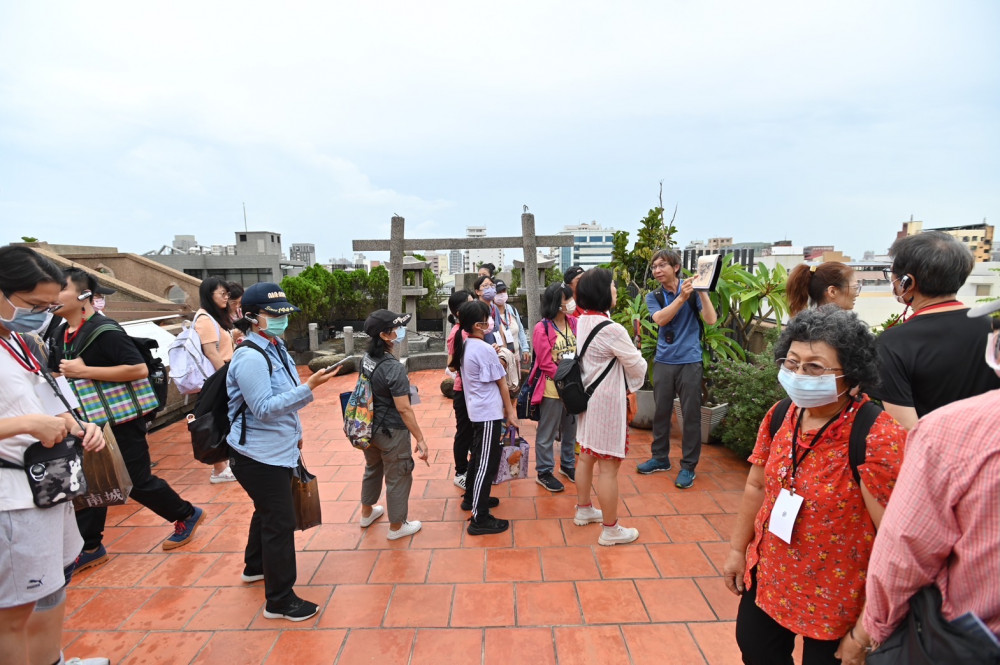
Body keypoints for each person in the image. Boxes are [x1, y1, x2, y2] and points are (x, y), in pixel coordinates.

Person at [722, 306, 907, 665]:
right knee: (755, 648)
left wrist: (865, 629)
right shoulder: (782, 415)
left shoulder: (876, 436)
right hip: (772, 573)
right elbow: (756, 485)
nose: (798, 375)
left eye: (814, 367)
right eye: (791, 363)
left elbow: (895, 542)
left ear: (852, 375)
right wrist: (736, 550)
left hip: (839, 595)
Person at [860, 302, 1000, 659]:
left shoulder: (948, 431)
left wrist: (874, 629)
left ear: (906, 281)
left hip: (966, 639)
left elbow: (907, 549)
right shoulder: (979, 327)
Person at [0, 247, 110, 665]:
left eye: (49, 306)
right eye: (32, 305)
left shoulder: (19, 342)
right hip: (13, 499)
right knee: (13, 612)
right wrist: (25, 425)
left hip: (49, 486)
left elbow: (49, 398)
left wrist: (83, 426)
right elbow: (29, 415)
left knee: (52, 588)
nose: (43, 314)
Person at [54, 268, 205, 572]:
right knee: (90, 481)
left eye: (59, 289)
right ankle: (91, 546)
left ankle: (186, 513)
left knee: (135, 481)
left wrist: (85, 372)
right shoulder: (61, 332)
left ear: (83, 295)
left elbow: (138, 370)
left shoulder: (104, 330)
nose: (51, 296)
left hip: (120, 420)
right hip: (88, 421)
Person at [226, 282, 340, 621]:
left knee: (267, 511)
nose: (282, 320)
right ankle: (279, 600)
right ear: (251, 317)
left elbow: (283, 401)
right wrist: (310, 388)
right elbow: (263, 407)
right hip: (257, 455)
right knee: (279, 521)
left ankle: (255, 566)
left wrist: (296, 433)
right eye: (274, 315)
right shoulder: (249, 356)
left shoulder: (275, 346)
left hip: (276, 446)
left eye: (284, 314)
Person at [873, 231, 1000, 429]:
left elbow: (907, 430)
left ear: (908, 282)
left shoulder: (892, 343)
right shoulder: (994, 330)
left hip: (936, 455)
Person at [573, 268, 647, 546]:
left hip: (587, 397)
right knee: (608, 467)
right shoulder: (612, 329)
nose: (615, 290)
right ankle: (610, 529)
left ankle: (583, 509)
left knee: (586, 456)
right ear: (603, 292)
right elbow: (637, 365)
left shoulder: (582, 321)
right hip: (606, 401)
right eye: (613, 286)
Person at [638, 249, 718, 489]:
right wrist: (681, 298)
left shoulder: (692, 289)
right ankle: (660, 458)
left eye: (662, 265)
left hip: (690, 361)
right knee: (661, 412)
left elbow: (711, 319)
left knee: (690, 415)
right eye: (654, 267)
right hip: (664, 360)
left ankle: (688, 467)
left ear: (676, 267)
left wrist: (701, 291)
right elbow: (661, 319)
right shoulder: (654, 296)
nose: (657, 271)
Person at [357, 310, 429, 540]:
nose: (400, 332)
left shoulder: (366, 359)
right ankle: (397, 526)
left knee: (373, 469)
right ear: (386, 336)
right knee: (399, 475)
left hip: (368, 428)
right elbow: (404, 408)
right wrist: (420, 438)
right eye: (396, 328)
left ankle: (366, 513)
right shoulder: (394, 368)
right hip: (391, 432)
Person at [450, 300, 519, 536]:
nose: (491, 321)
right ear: (479, 324)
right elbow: (501, 381)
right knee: (485, 464)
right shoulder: (483, 349)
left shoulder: (467, 344)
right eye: (487, 318)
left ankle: (473, 498)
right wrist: (510, 412)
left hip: (478, 410)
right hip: (488, 413)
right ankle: (479, 517)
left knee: (480, 458)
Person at [529, 283, 578, 492]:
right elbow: (544, 361)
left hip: (573, 387)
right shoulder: (543, 328)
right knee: (547, 432)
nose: (571, 303)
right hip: (552, 388)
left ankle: (568, 465)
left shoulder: (574, 323)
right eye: (567, 299)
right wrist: (563, 376)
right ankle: (544, 471)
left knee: (571, 428)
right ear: (557, 304)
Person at [193, 277, 238, 483]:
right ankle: (219, 469)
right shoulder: (205, 320)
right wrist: (228, 378)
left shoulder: (212, 317)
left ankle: (222, 465)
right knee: (211, 420)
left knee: (219, 418)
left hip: (219, 374)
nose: (226, 298)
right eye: (222, 294)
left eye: (227, 294)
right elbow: (211, 353)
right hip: (215, 377)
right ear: (209, 295)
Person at [446, 290, 474, 490]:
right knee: (463, 432)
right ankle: (460, 471)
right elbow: (452, 365)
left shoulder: (469, 329)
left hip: (473, 389)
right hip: (463, 390)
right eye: (470, 304)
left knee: (473, 431)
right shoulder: (457, 333)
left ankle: (472, 468)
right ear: (458, 312)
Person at [786, 261, 861, 317]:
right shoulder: (847, 332)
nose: (857, 294)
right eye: (855, 287)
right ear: (832, 291)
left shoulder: (799, 329)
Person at [493, 279, 530, 364]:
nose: (502, 294)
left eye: (504, 291)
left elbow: (520, 329)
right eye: (498, 292)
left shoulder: (511, 309)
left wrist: (525, 348)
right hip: (501, 359)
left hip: (516, 356)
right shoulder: (491, 312)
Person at [473, 274, 503, 346]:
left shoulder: (495, 308)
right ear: (477, 292)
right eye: (485, 286)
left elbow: (500, 329)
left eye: (492, 285)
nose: (490, 288)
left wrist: (503, 348)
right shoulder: (475, 309)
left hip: (497, 349)